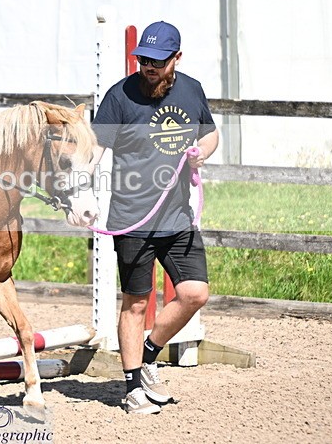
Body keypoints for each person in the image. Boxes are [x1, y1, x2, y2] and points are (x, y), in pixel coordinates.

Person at [91, 21, 219, 414]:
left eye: (158, 61)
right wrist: (82, 197)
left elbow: (210, 134)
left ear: (176, 58)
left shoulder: (191, 89)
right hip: (133, 217)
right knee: (134, 302)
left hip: (177, 214)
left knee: (195, 293)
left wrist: (201, 150)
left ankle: (149, 353)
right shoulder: (119, 96)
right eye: (144, 59)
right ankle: (132, 388)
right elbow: (94, 149)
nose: (149, 66)